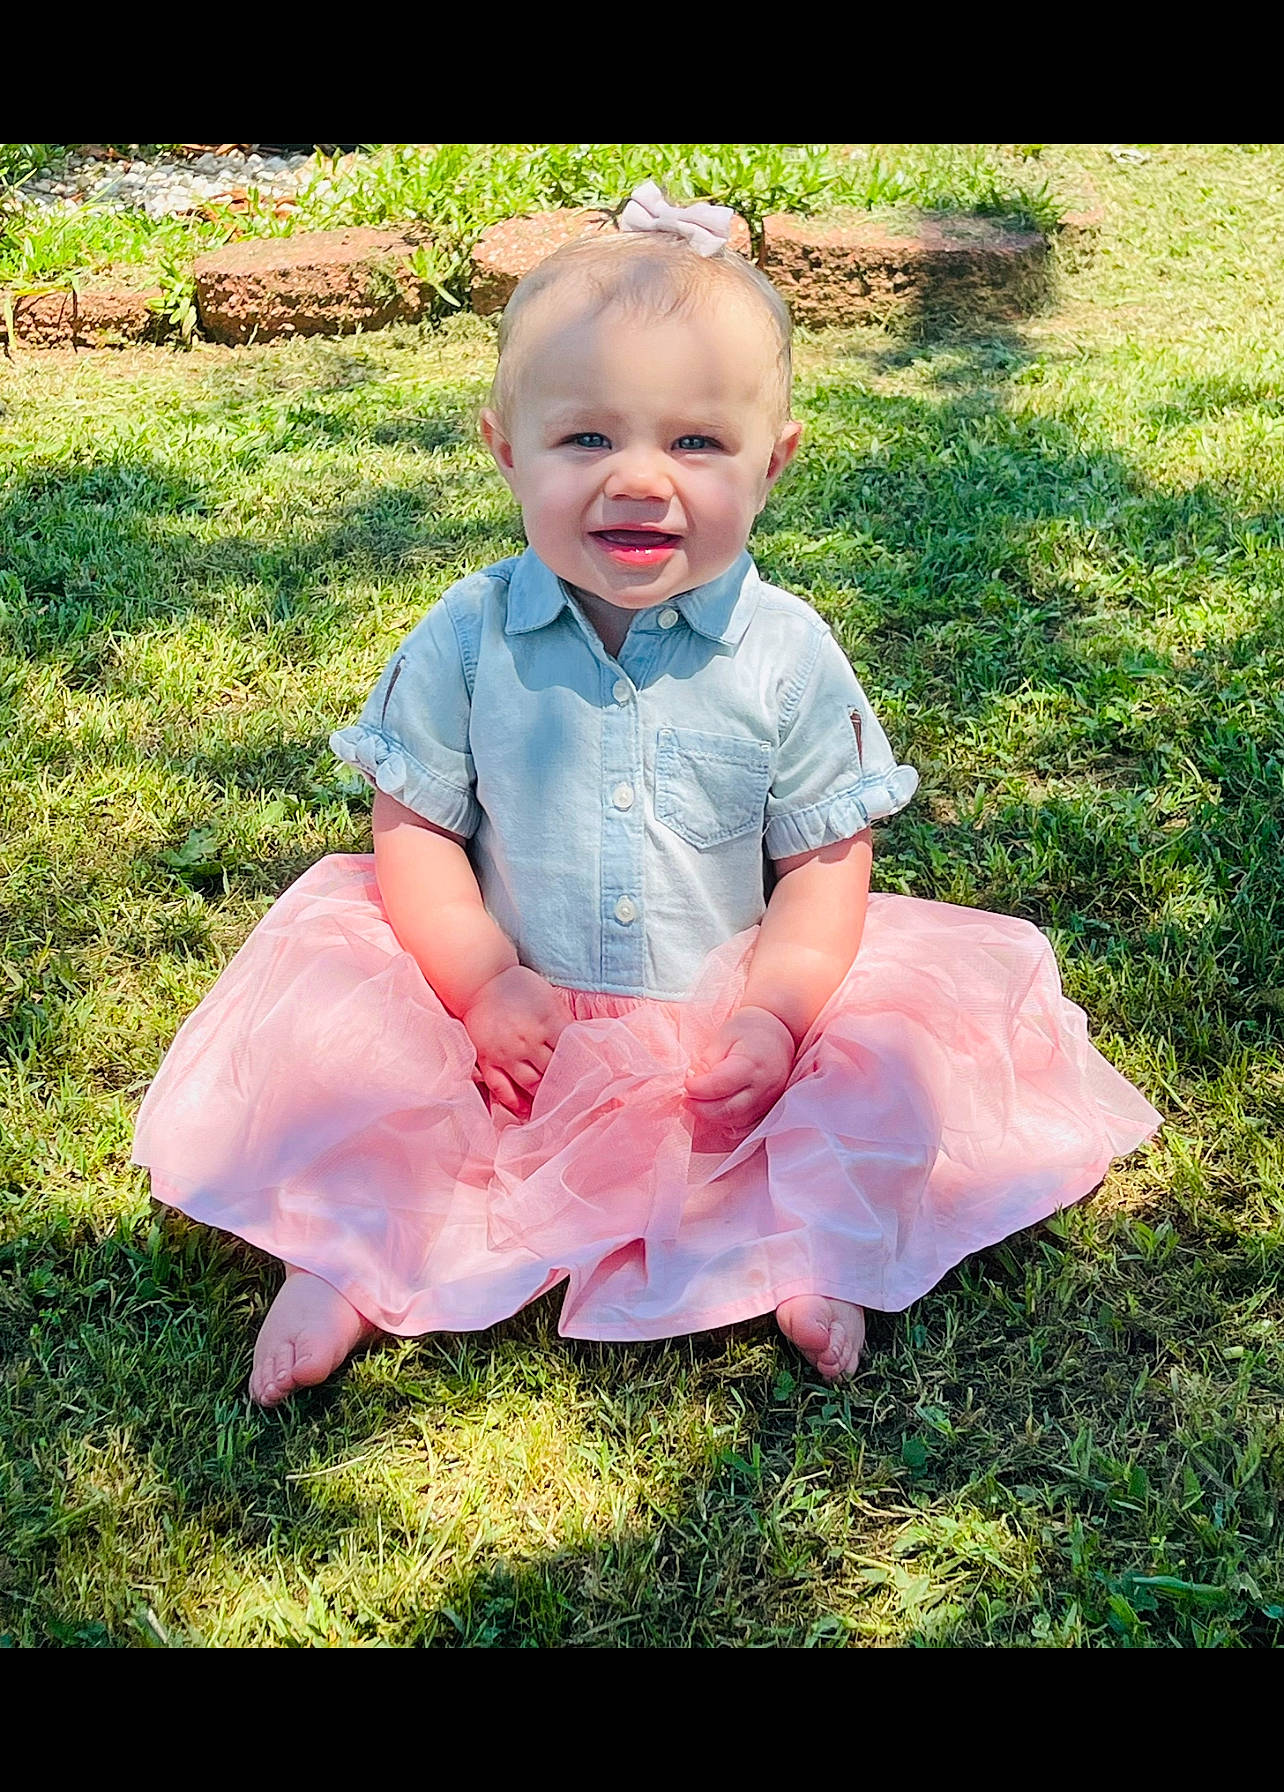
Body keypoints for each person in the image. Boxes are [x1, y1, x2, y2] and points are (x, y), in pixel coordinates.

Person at [133, 183, 1161, 1409]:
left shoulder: (785, 654)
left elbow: (824, 864)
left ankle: (808, 1250)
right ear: (505, 447)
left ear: (771, 464)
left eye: (693, 443)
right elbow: (414, 829)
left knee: (865, 1075)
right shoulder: (468, 637)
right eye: (586, 439)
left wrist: (776, 1013)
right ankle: (348, 1264)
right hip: (514, 1018)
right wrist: (476, 980)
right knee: (376, 1086)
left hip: (717, 1020)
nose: (638, 481)